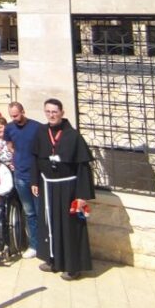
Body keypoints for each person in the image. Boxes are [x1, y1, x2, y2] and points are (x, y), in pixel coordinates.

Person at [32, 98, 95, 280]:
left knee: (70, 227)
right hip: (48, 186)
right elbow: (36, 158)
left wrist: (82, 196)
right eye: (48, 112)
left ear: (62, 112)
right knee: (49, 224)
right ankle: (53, 260)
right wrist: (34, 181)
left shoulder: (73, 136)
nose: (51, 115)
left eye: (54, 111)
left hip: (68, 188)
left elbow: (83, 167)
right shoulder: (41, 132)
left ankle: (73, 266)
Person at [5, 101, 42, 259]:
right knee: (29, 212)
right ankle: (34, 245)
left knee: (41, 211)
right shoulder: (9, 127)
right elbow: (9, 145)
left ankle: (45, 244)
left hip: (36, 175)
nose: (14, 118)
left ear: (23, 111)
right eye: (12, 116)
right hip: (20, 175)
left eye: (17, 115)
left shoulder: (37, 127)